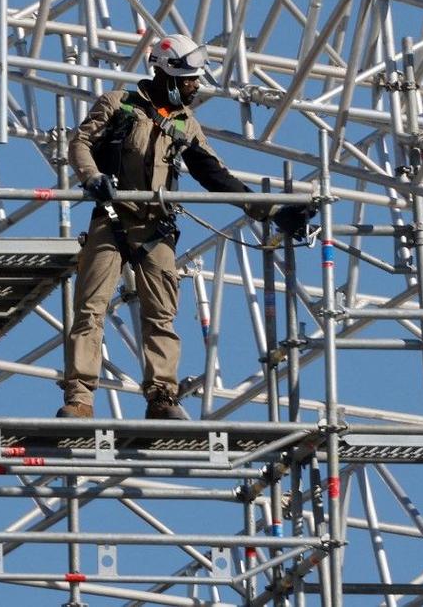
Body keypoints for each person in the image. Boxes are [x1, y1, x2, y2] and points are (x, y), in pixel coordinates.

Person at [58, 34, 313, 420]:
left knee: (160, 313)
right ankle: (80, 398)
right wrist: (92, 177)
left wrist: (271, 210)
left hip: (155, 226)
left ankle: (161, 396)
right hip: (111, 220)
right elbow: (80, 142)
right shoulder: (119, 105)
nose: (195, 85)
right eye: (188, 79)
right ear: (165, 75)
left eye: (196, 78)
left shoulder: (185, 126)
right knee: (90, 309)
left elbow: (216, 176)